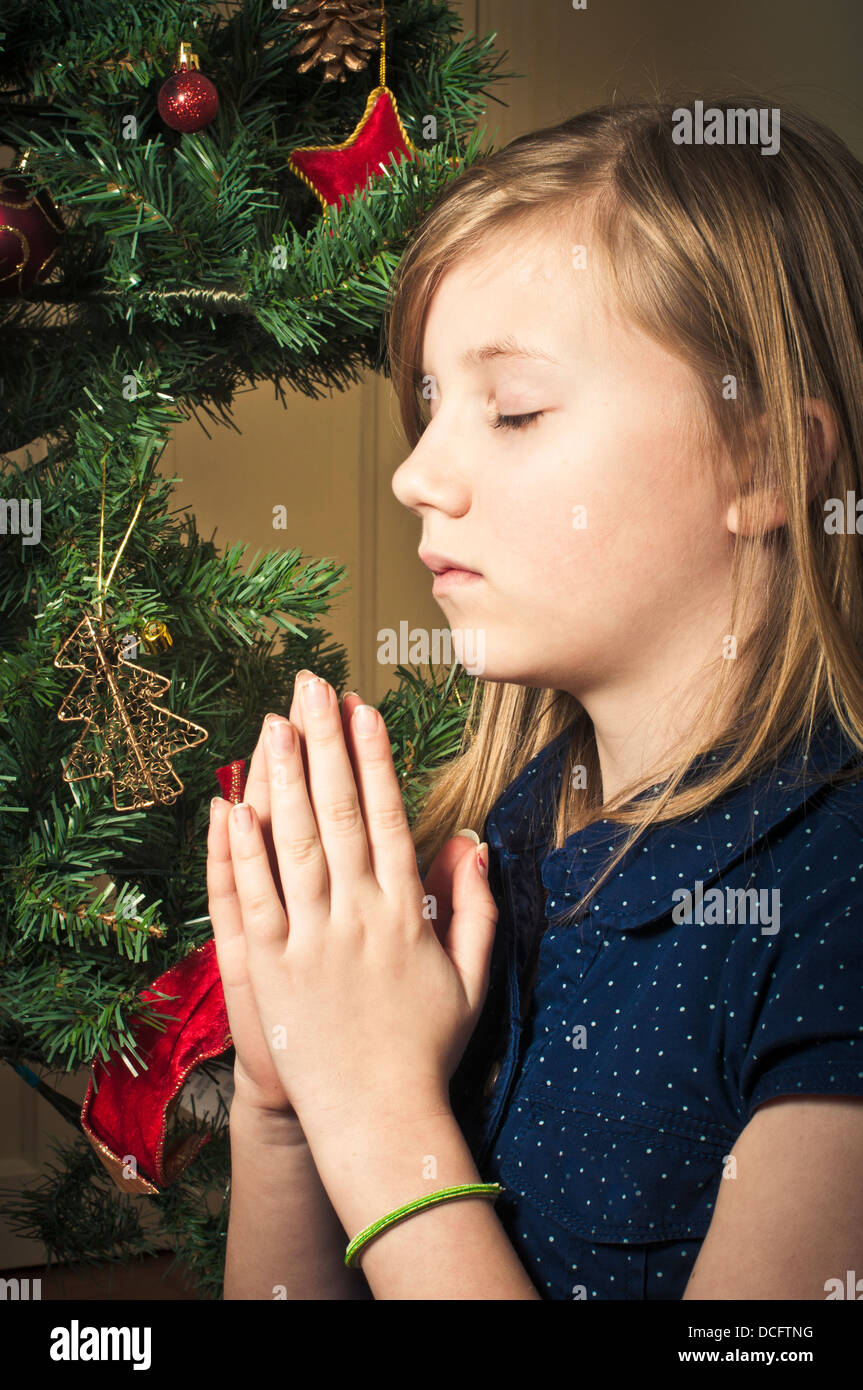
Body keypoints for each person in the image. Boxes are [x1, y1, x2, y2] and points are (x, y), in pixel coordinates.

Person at [209, 93, 863, 1300]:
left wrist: (374, 1111)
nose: (414, 473)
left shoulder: (832, 915)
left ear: (765, 463)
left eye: (511, 409)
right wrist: (288, 1101)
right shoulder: (503, 841)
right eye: (427, 404)